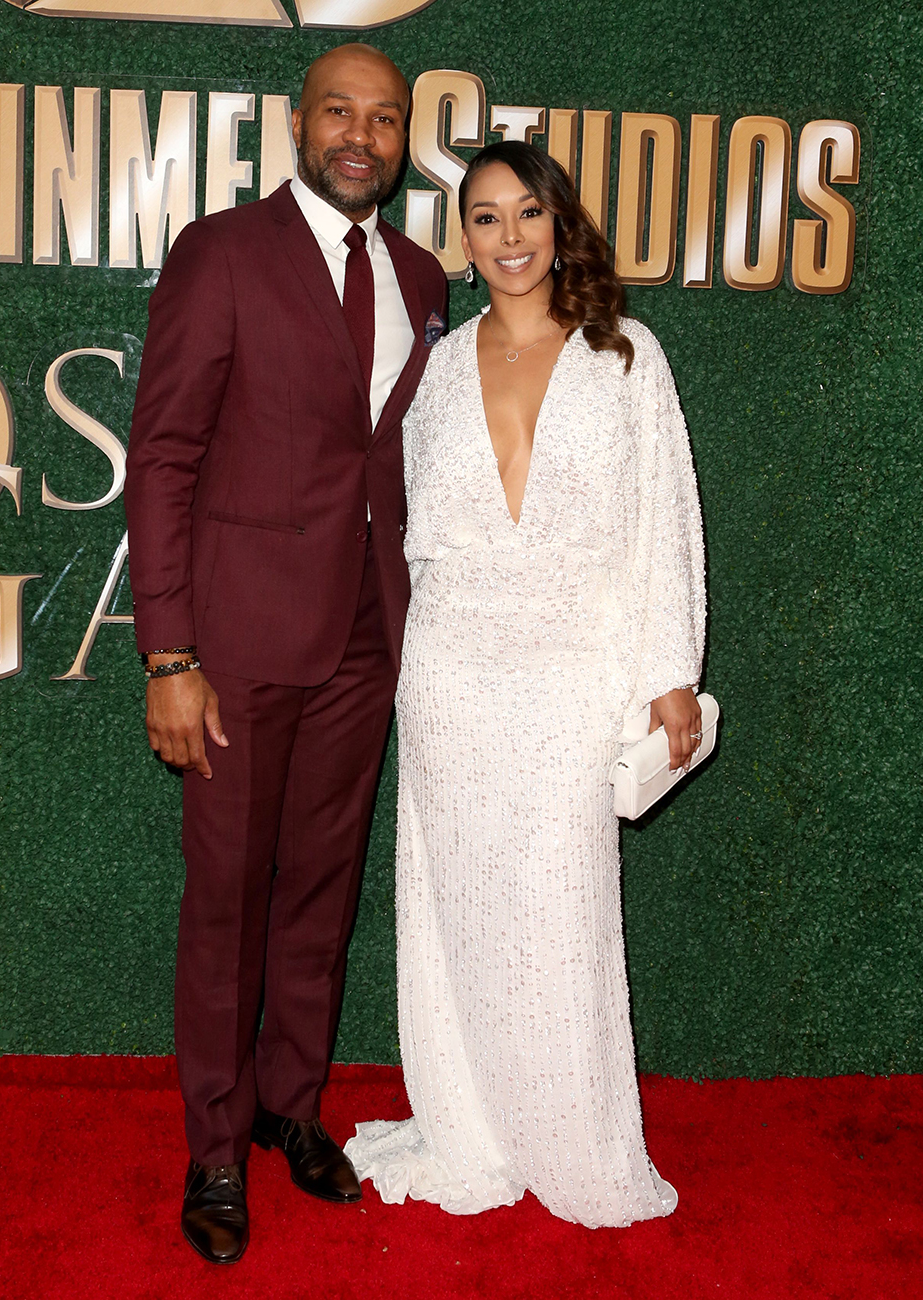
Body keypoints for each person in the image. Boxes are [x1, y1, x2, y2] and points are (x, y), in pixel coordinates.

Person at [123, 44, 447, 1264]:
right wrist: (170, 655)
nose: (359, 134)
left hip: (368, 638)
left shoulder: (420, 275)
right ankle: (214, 1145)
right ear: (297, 123)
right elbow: (162, 460)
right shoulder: (222, 252)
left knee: (320, 893)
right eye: (338, 113)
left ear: (402, 137)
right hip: (237, 646)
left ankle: (287, 1106)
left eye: (383, 117)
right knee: (227, 903)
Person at [344, 140, 706, 1228]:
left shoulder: (625, 355)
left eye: (525, 215)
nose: (507, 239)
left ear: (560, 225)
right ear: (465, 240)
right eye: (485, 218)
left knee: (559, 912)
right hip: (452, 672)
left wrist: (668, 674)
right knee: (455, 908)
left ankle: (574, 1137)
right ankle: (468, 1124)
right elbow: (397, 521)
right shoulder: (438, 366)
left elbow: (663, 523)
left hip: (570, 676)